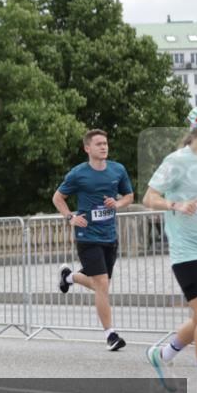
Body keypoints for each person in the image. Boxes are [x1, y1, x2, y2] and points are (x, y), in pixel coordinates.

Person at [143, 104, 197, 393]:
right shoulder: (177, 162)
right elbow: (149, 197)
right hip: (188, 251)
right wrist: (176, 205)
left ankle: (164, 354)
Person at [53, 129, 134, 351]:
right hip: (87, 236)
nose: (103, 147)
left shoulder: (118, 169)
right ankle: (111, 335)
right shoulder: (79, 173)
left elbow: (129, 196)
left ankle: (69, 277)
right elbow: (58, 197)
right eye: (98, 144)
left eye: (105, 143)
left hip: (110, 236)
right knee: (102, 285)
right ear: (87, 148)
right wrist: (70, 217)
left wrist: (118, 204)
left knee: (102, 285)